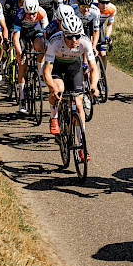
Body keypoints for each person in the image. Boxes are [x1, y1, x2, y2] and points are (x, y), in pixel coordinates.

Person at [43, 15, 99, 159]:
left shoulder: (85, 41)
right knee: (58, 90)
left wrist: (94, 85)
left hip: (74, 67)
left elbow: (94, 68)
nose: (74, 40)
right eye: (69, 37)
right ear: (63, 34)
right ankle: (54, 117)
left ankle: (81, 146)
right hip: (57, 67)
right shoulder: (55, 41)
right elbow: (47, 71)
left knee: (79, 105)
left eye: (77, 36)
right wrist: (52, 88)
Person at [11, 0, 48, 114]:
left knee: (40, 47)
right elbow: (16, 37)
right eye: (29, 14)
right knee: (23, 64)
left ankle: (40, 74)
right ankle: (22, 98)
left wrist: (47, 48)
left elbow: (46, 32)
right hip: (22, 33)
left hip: (35, 31)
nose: (31, 17)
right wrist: (20, 53)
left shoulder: (42, 12)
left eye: (33, 14)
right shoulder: (20, 14)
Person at [96, 0, 117, 69]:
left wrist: (107, 37)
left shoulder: (112, 9)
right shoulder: (92, 7)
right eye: (102, 2)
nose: (104, 5)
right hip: (90, 27)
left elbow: (109, 25)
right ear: (98, 0)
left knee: (103, 53)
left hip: (100, 27)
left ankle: (103, 74)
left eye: (107, 2)